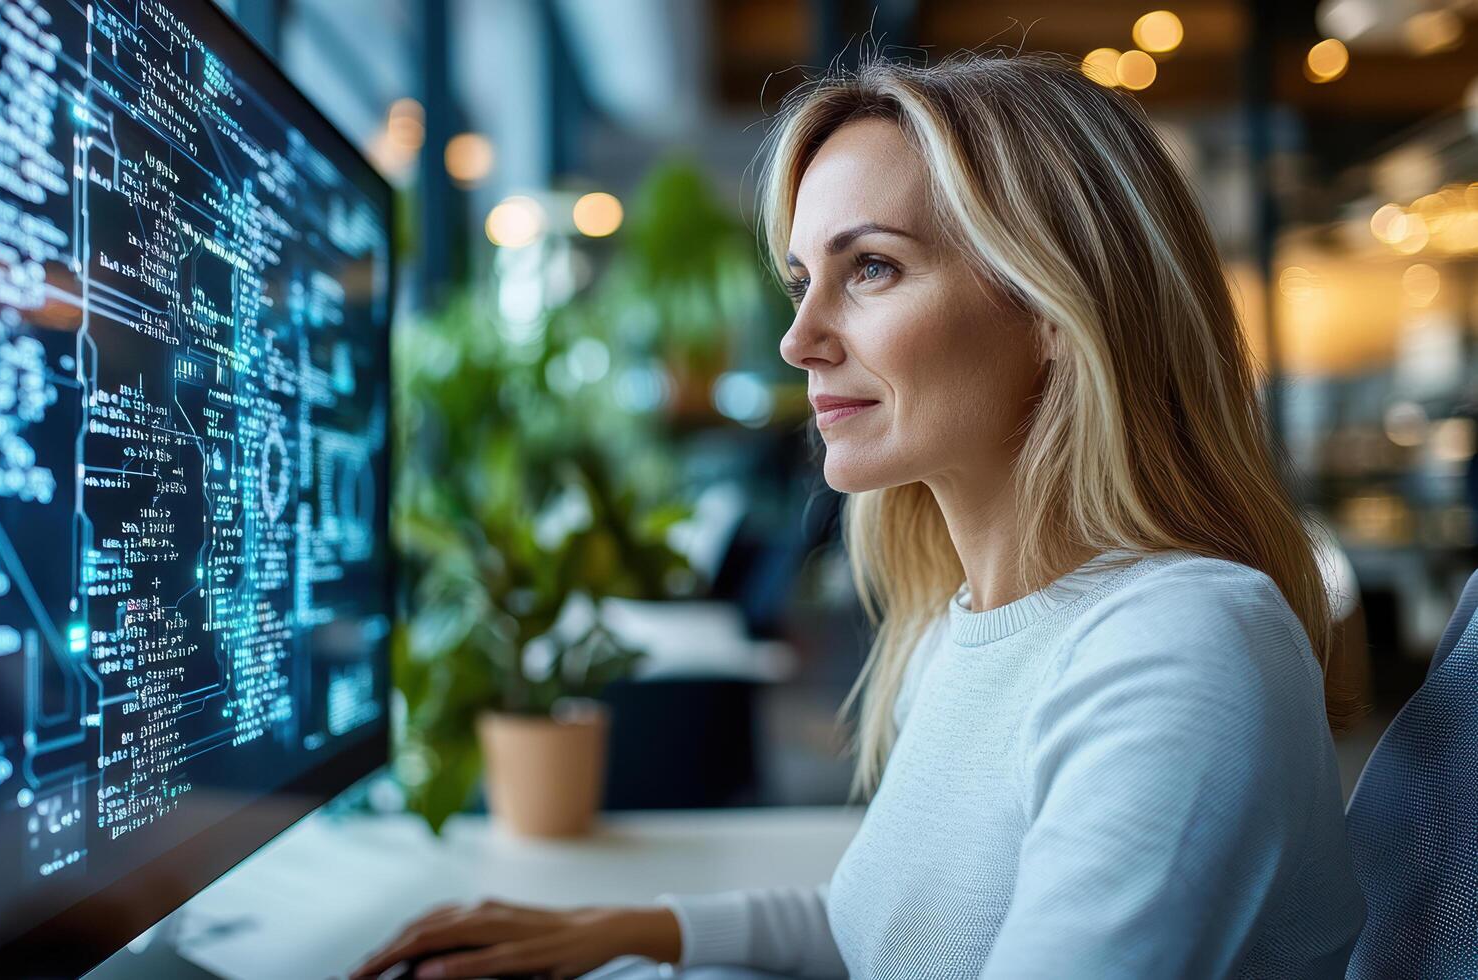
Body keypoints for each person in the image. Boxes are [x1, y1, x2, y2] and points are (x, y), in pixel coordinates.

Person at [352, 51, 1366, 979]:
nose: (798, 339)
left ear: (1058, 310)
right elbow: (889, 929)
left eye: (870, 267)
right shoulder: (957, 628)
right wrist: (627, 930)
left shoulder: (1177, 645)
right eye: (803, 280)